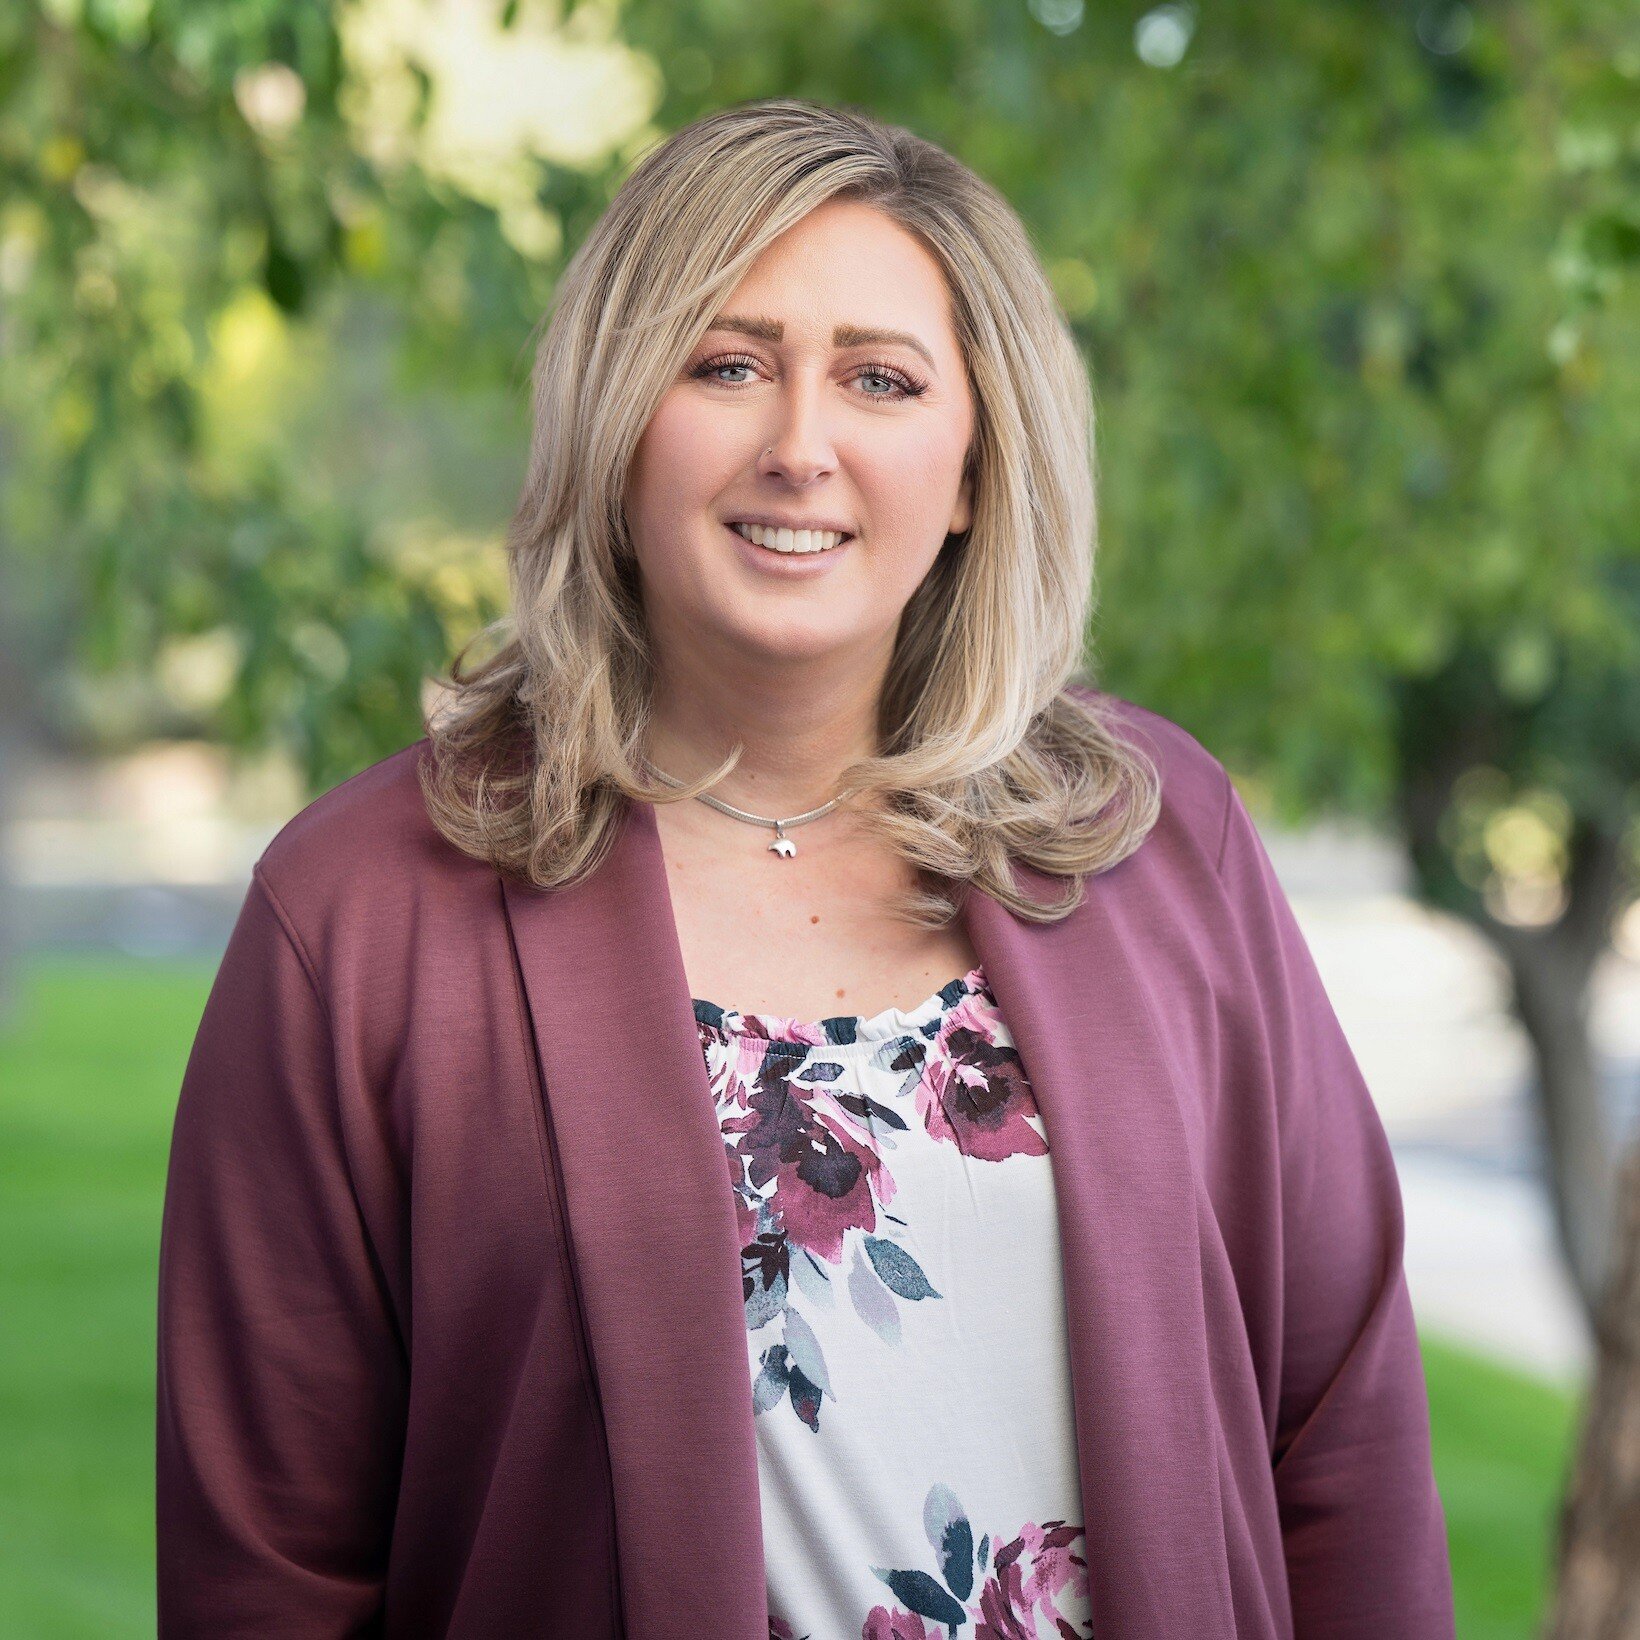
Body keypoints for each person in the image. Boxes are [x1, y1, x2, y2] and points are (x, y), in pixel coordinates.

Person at [155, 97, 1456, 1638]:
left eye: (880, 380)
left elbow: (1342, 1437)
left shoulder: (1160, 842)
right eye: (727, 365)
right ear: (620, 421)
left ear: (973, 467)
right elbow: (270, 1571)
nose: (798, 446)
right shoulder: (361, 919)